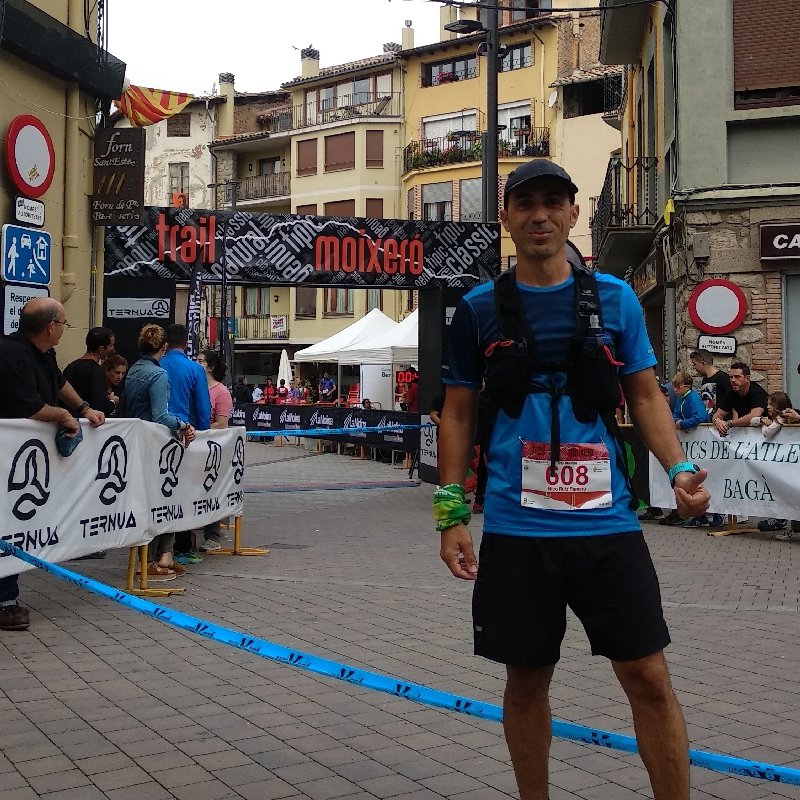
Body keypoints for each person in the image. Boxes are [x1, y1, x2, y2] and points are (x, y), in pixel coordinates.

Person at [436, 160, 710, 800]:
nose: (540, 215)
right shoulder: (477, 308)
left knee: (647, 675)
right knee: (527, 681)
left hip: (607, 525)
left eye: (553, 202)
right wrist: (450, 513)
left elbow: (644, 395)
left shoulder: (614, 298)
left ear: (573, 213)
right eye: (525, 203)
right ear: (506, 218)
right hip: (517, 528)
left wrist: (679, 469)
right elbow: (457, 411)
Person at [0, 298, 106, 629]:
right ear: (51, 327)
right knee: (10, 524)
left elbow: (58, 383)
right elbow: (31, 407)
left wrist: (84, 409)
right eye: (63, 323)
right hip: (10, 461)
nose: (64, 329)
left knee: (21, 524)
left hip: (26, 459)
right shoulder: (12, 355)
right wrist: (63, 415)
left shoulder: (44, 353)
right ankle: (5, 600)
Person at [125, 324, 196, 580]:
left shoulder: (134, 370)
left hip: (138, 443)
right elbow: (160, 415)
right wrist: (184, 425)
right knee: (162, 500)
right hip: (155, 446)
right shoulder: (158, 375)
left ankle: (159, 556)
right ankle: (151, 560)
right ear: (163, 347)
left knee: (151, 502)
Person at [159, 325, 211, 558]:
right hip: (184, 436)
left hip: (153, 433)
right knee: (184, 490)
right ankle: (181, 547)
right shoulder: (194, 369)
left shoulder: (156, 365)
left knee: (158, 489)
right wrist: (204, 437)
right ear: (186, 343)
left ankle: (156, 549)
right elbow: (203, 409)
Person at [668, 372, 721, 528]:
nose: (675, 390)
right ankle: (701, 516)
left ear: (686, 386)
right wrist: (678, 422)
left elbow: (700, 416)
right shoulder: (681, 399)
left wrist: (683, 424)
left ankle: (715, 513)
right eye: (674, 387)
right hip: (691, 442)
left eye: (677, 387)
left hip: (701, 440)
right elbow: (675, 415)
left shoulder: (692, 398)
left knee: (707, 475)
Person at [195, 349, 233, 553]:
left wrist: (203, 429)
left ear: (210, 367)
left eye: (200, 361)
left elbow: (222, 423)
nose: (196, 363)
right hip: (194, 447)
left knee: (211, 490)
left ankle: (213, 535)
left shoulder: (221, 392)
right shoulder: (196, 387)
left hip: (212, 450)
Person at [63, 327, 117, 417]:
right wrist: (112, 402)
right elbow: (100, 407)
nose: (112, 349)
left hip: (69, 420)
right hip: (88, 422)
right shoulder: (97, 372)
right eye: (111, 345)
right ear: (101, 349)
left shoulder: (70, 367)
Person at [711, 361, 768, 437]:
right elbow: (718, 414)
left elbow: (755, 415)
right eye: (731, 377)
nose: (733, 380)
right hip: (746, 435)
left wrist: (730, 423)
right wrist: (717, 421)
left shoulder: (757, 392)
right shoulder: (731, 394)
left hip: (766, 433)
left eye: (737, 377)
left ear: (747, 378)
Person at [689, 349, 731, 419]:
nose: (694, 367)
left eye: (695, 364)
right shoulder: (704, 380)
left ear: (703, 363)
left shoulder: (722, 377)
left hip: (721, 421)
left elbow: (730, 398)